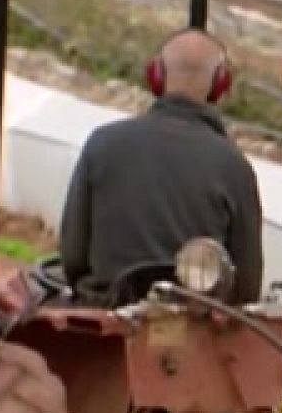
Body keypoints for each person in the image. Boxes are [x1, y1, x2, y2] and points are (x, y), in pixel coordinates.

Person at [55, 27, 264, 306]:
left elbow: (73, 256)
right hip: (195, 331)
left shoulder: (102, 143)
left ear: (156, 75)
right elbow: (247, 288)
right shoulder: (235, 168)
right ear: (220, 85)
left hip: (103, 317)